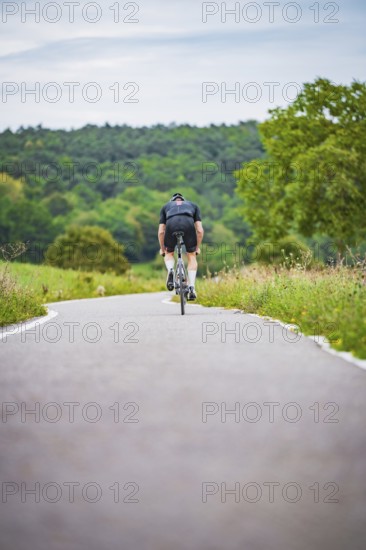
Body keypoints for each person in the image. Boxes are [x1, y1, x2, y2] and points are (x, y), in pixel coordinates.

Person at [158, 192, 204, 300]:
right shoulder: (193, 205)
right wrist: (196, 247)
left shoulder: (166, 206)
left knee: (169, 253)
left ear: (172, 201)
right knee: (191, 256)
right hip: (188, 223)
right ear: (184, 200)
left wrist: (163, 249)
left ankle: (171, 270)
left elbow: (161, 232)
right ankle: (192, 287)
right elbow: (200, 230)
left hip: (171, 223)